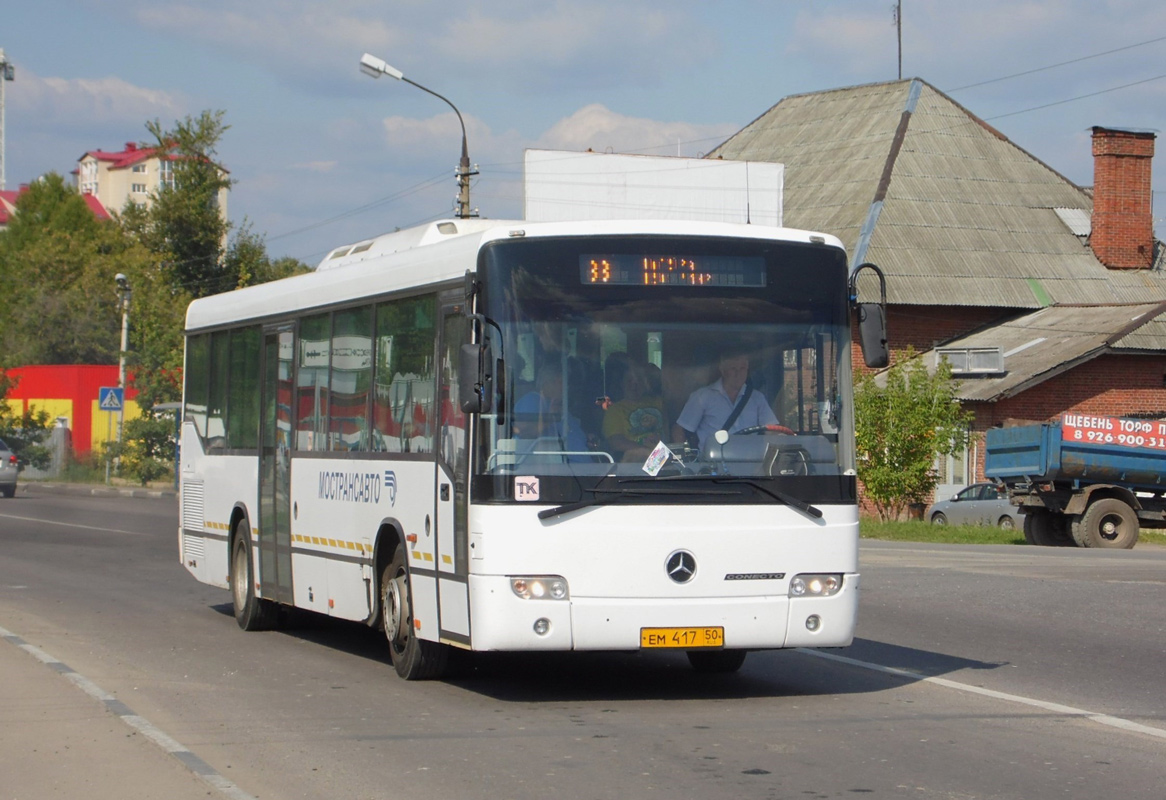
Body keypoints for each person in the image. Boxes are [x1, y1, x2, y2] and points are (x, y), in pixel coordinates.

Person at [672, 350, 778, 449]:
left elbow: (773, 431)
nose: (738, 373)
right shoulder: (702, 397)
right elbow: (680, 431)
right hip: (712, 465)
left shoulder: (757, 398)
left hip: (751, 465)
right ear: (723, 370)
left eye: (742, 368)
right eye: (733, 369)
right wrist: (686, 462)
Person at [602, 361, 666, 461]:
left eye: (639, 381)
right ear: (622, 383)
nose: (634, 385)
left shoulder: (659, 402)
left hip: (665, 456)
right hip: (637, 461)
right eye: (629, 381)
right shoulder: (615, 410)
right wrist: (648, 452)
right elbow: (616, 442)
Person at [514, 369, 588, 454]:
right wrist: (550, 419)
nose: (565, 387)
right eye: (560, 382)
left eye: (566, 383)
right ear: (548, 383)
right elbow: (523, 433)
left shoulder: (558, 405)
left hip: (585, 463)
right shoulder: (531, 401)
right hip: (553, 465)